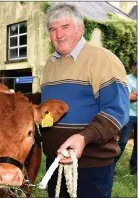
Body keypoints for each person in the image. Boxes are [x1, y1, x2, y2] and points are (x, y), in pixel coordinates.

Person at [40, 3, 129, 198]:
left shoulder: (102, 58)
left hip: (91, 166)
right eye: (52, 29)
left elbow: (117, 111)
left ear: (80, 29)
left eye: (65, 27)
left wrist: (84, 137)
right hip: (55, 162)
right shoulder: (49, 64)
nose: (58, 34)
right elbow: (43, 109)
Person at [114, 61, 137, 175]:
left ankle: (134, 169)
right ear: (133, 66)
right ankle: (111, 165)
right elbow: (125, 96)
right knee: (122, 141)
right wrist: (131, 96)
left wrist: (134, 95)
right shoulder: (126, 79)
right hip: (129, 115)